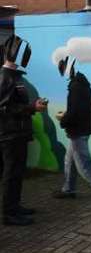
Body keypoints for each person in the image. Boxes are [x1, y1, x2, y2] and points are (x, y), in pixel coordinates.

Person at [52, 56, 91, 207]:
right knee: (69, 161)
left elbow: (74, 113)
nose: (61, 71)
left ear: (68, 68)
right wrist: (67, 116)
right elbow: (78, 110)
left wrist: (63, 120)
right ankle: (68, 189)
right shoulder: (81, 83)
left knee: (85, 166)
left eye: (62, 68)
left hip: (78, 131)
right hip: (82, 129)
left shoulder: (76, 87)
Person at [0, 35, 48, 226]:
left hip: (18, 134)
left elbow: (13, 104)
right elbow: (3, 108)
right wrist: (31, 108)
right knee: (11, 174)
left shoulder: (14, 77)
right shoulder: (5, 77)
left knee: (18, 173)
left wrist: (31, 106)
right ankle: (9, 214)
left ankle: (15, 205)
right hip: (9, 136)